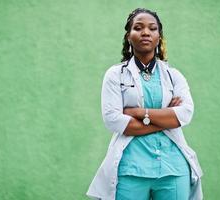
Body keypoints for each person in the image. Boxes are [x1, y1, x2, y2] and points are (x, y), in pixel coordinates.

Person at [87, 8, 203, 200]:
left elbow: (185, 114)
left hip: (173, 168)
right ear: (128, 36)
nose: (146, 32)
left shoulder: (173, 76)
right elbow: (113, 120)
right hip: (130, 169)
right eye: (138, 28)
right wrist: (166, 117)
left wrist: (137, 112)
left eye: (152, 28)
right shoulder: (115, 75)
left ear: (159, 37)